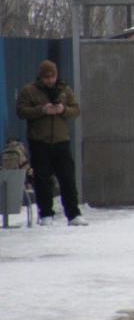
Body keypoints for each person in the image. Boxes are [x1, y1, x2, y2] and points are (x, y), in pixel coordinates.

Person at [16, 60, 88, 226]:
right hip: (40, 142)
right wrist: (42, 110)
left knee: (67, 178)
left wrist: (63, 110)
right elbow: (21, 111)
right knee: (42, 179)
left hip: (61, 141)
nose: (50, 80)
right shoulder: (29, 91)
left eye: (52, 76)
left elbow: (76, 109)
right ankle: (46, 213)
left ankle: (73, 214)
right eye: (46, 77)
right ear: (41, 77)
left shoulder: (64, 89)